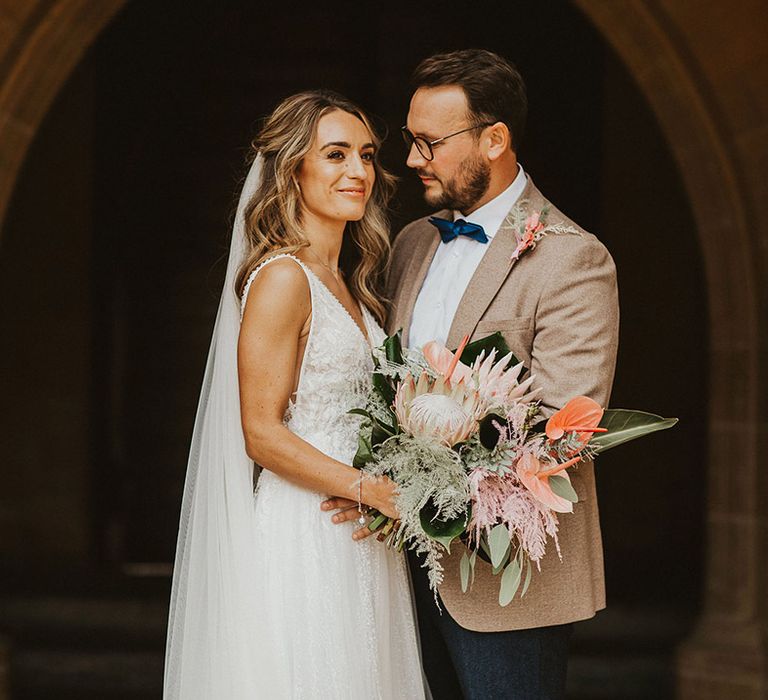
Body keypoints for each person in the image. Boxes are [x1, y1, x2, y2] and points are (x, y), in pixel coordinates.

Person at [163, 90, 426, 699]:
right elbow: (260, 431)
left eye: (366, 155)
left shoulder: (354, 282)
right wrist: (375, 490)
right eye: (335, 155)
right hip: (306, 530)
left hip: (361, 526)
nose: (358, 171)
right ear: (293, 170)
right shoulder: (283, 278)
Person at [389, 49, 619, 699]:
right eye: (411, 140)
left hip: (507, 578)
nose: (412, 160)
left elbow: (565, 429)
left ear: (494, 140)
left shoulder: (575, 261)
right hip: (396, 568)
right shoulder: (411, 244)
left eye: (429, 143)